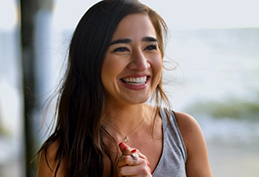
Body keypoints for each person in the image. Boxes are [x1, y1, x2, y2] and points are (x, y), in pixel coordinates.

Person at [36, 0, 212, 176]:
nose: (141, 64)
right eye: (121, 49)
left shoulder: (184, 131)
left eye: (150, 47)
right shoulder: (58, 156)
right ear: (90, 60)